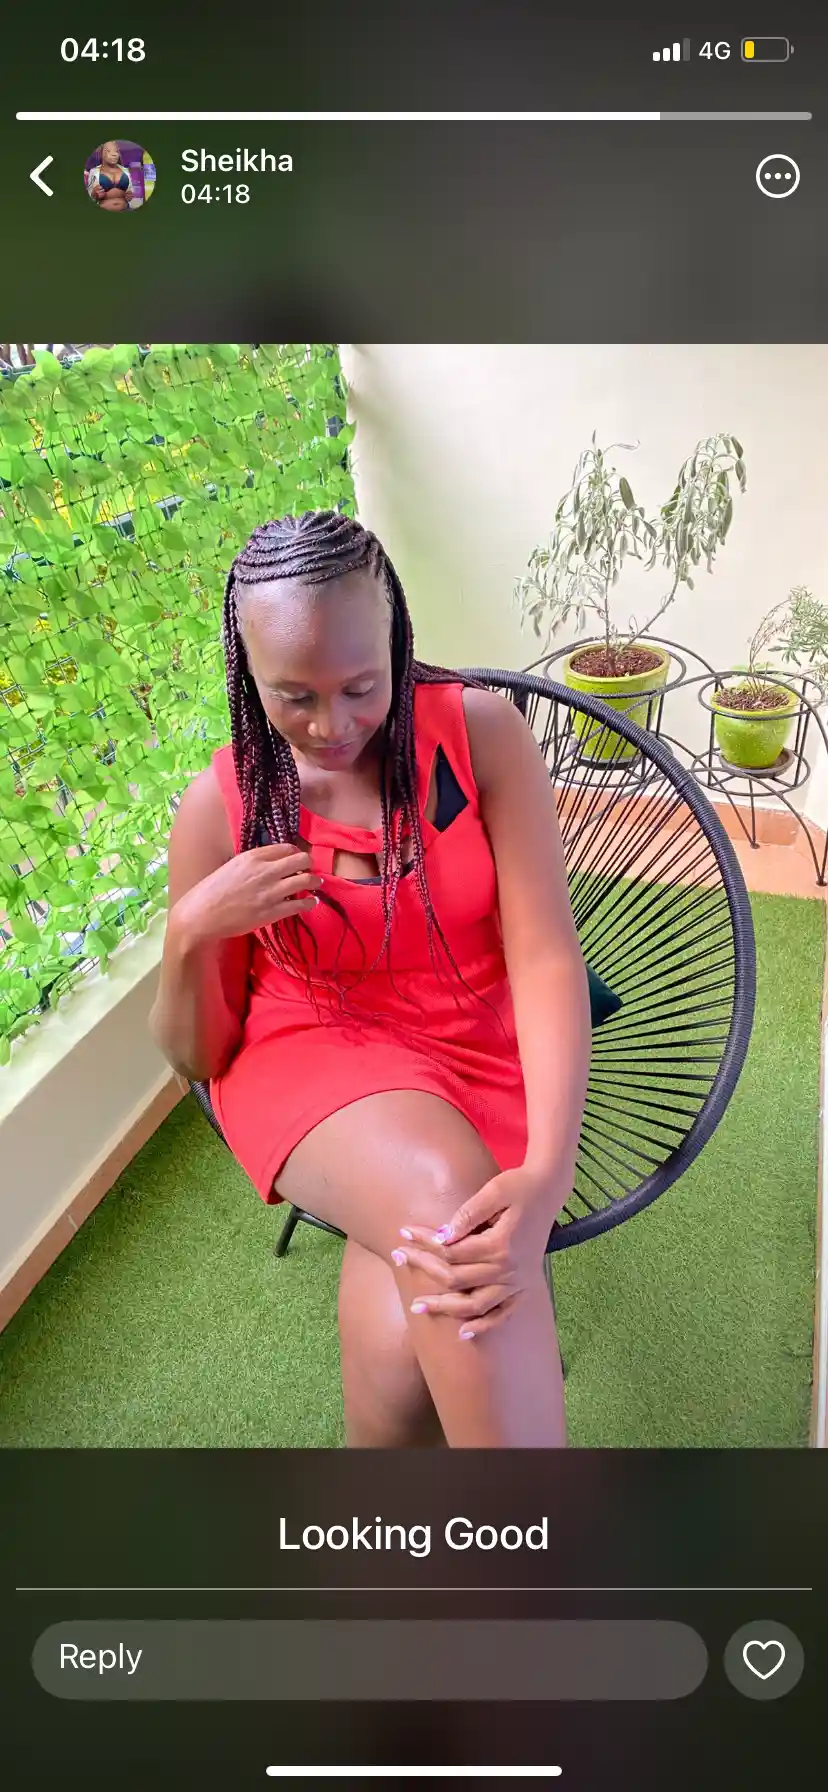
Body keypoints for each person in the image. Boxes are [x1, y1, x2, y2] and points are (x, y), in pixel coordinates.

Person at [149, 510, 592, 1448]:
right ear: (247, 671)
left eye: (360, 687)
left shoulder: (479, 737)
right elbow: (199, 1055)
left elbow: (546, 956)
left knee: (405, 1354)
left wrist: (549, 1174)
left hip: (479, 1036)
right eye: (294, 695)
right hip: (311, 1049)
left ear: (396, 643)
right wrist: (189, 933)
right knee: (446, 1211)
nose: (333, 725)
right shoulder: (224, 807)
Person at [86, 141, 134, 211]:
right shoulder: (94, 172)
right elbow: (89, 197)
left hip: (125, 210)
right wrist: (94, 195)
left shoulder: (126, 171)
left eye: (116, 151)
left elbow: (130, 192)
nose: (114, 154)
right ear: (101, 153)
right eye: (108, 151)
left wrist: (130, 196)